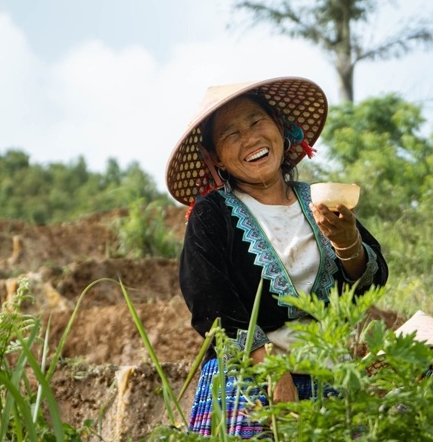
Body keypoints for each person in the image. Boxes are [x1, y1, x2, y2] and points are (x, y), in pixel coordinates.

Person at [165, 76, 389, 438]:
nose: (250, 138)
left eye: (257, 122)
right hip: (248, 380)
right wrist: (271, 371)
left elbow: (370, 281)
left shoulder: (321, 200)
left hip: (329, 374)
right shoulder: (213, 214)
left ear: (282, 131)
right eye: (230, 134)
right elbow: (211, 303)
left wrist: (348, 244)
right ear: (215, 158)